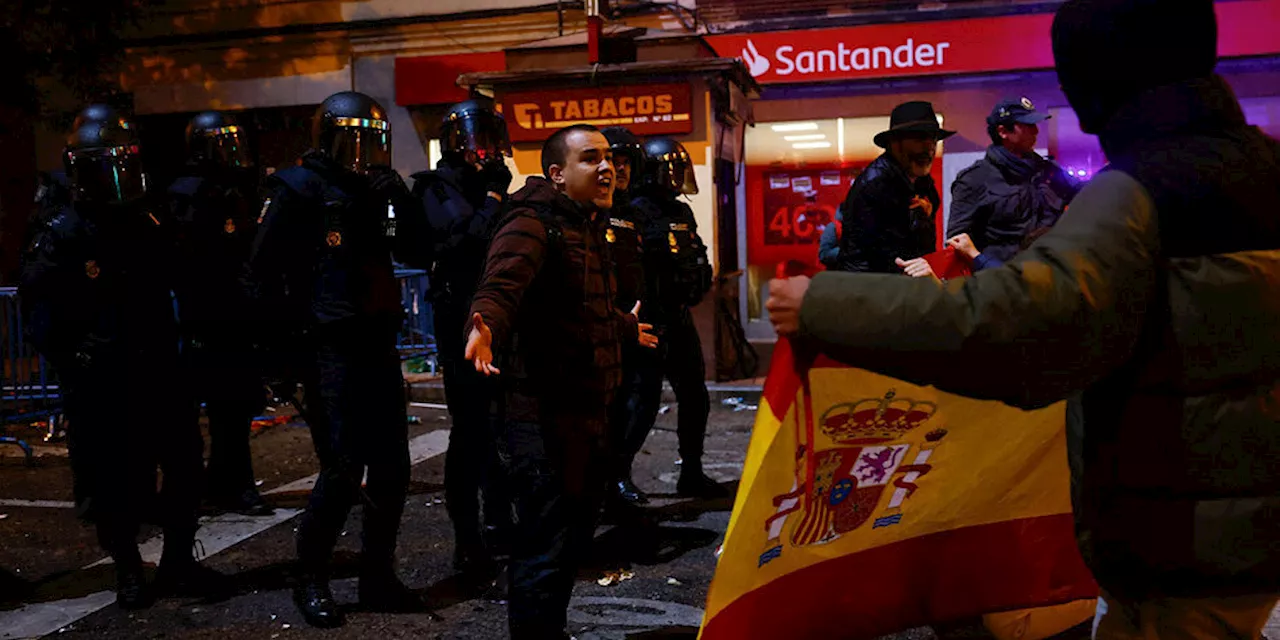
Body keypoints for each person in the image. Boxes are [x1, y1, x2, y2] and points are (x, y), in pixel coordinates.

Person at [766, 0, 1280, 637]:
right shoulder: (1262, 167)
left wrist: (820, 304)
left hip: (1185, 538)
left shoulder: (1141, 190)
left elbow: (1020, 326)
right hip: (1240, 526)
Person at [20, 109, 227, 610]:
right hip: (103, 379)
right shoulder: (64, 229)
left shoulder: (145, 216)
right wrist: (77, 357)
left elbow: (178, 278)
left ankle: (179, 560)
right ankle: (129, 567)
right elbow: (39, 309)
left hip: (158, 365)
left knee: (182, 467)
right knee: (114, 480)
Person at [463, 124, 657, 639]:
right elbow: (501, 287)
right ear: (557, 173)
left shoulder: (587, 223)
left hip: (590, 411)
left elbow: (575, 307)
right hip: (543, 419)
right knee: (543, 550)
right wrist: (483, 327)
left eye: (609, 157)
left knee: (569, 545)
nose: (607, 167)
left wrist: (621, 326)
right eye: (590, 158)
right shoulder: (531, 222)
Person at [250, 91, 433, 628]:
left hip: (376, 340)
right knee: (342, 469)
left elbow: (414, 250)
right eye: (350, 139)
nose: (360, 151)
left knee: (393, 468)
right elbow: (263, 275)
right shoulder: (299, 188)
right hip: (326, 346)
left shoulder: (376, 191)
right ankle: (312, 579)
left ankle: (378, 574)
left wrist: (397, 198)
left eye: (371, 141)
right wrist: (277, 358)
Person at [411, 97, 514, 585]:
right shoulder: (436, 187)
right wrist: (494, 201)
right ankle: (467, 539)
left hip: (502, 319)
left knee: (503, 429)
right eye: (479, 140)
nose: (487, 151)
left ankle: (499, 524)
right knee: (471, 432)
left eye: (494, 140)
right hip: (459, 318)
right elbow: (466, 239)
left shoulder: (493, 186)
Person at [169, 110, 271, 516]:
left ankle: (233, 485)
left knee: (235, 409)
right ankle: (195, 492)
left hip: (233, 317)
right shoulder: (186, 194)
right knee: (190, 419)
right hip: (198, 318)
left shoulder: (234, 191)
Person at [621, 137, 725, 500]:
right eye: (671, 170)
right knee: (642, 402)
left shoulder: (681, 212)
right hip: (650, 318)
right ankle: (618, 478)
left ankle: (692, 472)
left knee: (695, 397)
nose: (677, 177)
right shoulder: (634, 210)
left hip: (679, 316)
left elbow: (694, 253)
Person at [946, 96, 1079, 268]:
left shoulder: (1048, 171)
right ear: (1003, 132)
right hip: (1001, 283)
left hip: (1050, 277)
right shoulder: (975, 179)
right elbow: (957, 245)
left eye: (1035, 125)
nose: (1036, 131)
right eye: (1027, 125)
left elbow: (1087, 194)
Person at [834, 101, 951, 275]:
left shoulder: (921, 181)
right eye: (920, 138)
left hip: (906, 283)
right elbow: (873, 254)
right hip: (878, 287)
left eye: (933, 139)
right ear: (895, 143)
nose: (930, 147)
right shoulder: (875, 185)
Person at [599, 126, 648, 506]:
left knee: (639, 403)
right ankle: (604, 484)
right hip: (601, 324)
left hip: (636, 323)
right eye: (615, 162)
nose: (621, 169)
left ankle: (619, 474)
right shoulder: (592, 209)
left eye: (626, 162)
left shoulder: (635, 211)